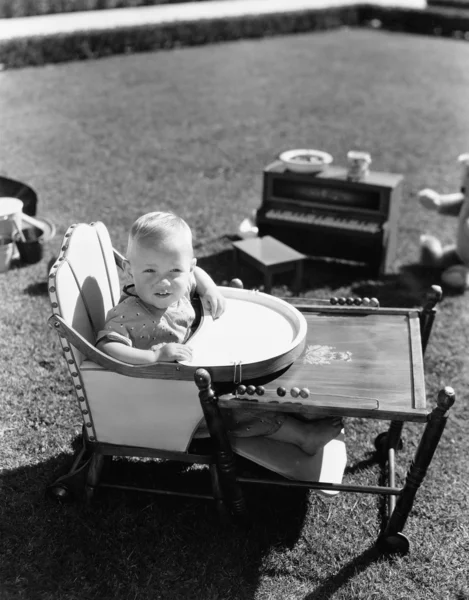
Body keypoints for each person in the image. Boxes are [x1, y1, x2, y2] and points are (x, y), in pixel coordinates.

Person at [97, 211, 342, 456]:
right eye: (150, 271)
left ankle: (297, 412)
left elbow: (197, 275)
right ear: (130, 271)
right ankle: (302, 436)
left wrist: (210, 289)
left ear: (187, 267)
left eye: (174, 271)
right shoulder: (128, 313)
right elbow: (108, 346)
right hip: (171, 401)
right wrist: (154, 356)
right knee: (239, 410)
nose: (164, 282)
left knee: (254, 371)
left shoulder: (180, 285)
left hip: (200, 373)